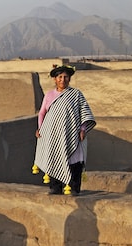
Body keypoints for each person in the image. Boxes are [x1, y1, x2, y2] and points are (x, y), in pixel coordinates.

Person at [34, 65, 96, 196]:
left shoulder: (76, 94)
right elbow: (42, 113)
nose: (63, 79)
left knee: (74, 160)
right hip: (54, 135)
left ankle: (74, 188)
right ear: (55, 79)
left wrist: (83, 129)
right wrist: (40, 128)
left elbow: (85, 112)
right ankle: (56, 187)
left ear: (69, 79)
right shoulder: (49, 95)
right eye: (60, 77)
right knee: (55, 158)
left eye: (66, 77)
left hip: (73, 135)